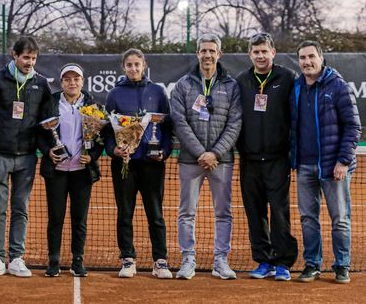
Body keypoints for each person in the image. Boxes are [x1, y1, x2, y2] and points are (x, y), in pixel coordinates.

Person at [170, 34, 242, 280]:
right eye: (203, 50)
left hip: (221, 160)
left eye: (212, 50)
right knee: (186, 212)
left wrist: (216, 153)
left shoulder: (231, 86)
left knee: (223, 212)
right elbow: (179, 122)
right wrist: (202, 153)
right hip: (192, 160)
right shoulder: (183, 85)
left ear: (219, 54)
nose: (208, 55)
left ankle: (221, 261)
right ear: (197, 53)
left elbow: (235, 123)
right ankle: (188, 259)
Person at [290, 40, 361, 284]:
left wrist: (342, 161)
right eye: (302, 58)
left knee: (340, 218)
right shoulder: (297, 86)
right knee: (308, 219)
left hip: (334, 167)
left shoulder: (338, 86)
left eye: (311, 56)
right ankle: (312, 264)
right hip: (305, 166)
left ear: (321, 57)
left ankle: (342, 266)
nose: (307, 62)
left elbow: (353, 127)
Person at [0, 36, 52, 278]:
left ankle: (17, 258)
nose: (29, 62)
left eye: (33, 58)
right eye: (25, 57)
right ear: (15, 55)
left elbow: (45, 122)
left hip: (27, 157)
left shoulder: (41, 84)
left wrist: (43, 149)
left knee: (21, 208)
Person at [104, 48, 173, 279]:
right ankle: (128, 259)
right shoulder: (114, 94)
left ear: (144, 65)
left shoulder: (158, 92)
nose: (133, 69)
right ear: (124, 67)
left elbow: (167, 127)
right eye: (129, 65)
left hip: (152, 164)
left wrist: (164, 151)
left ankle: (160, 261)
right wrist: (112, 150)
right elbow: (106, 130)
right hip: (124, 163)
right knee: (125, 212)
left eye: (137, 64)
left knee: (155, 213)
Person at [236, 32, 298, 281]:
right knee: (255, 212)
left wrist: (291, 150)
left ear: (273, 52)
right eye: (256, 52)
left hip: (277, 158)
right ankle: (264, 260)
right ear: (250, 54)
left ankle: (283, 262)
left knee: (279, 212)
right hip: (249, 159)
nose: (260, 56)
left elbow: (295, 116)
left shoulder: (287, 78)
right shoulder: (241, 80)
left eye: (264, 51)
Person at [37, 63, 103, 277]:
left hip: (82, 171)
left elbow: (102, 138)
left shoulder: (93, 105)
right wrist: (48, 152)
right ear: (62, 82)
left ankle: (77, 260)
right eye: (67, 79)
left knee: (79, 219)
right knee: (55, 217)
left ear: (82, 81)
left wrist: (91, 156)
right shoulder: (51, 103)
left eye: (76, 79)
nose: (72, 82)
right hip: (56, 170)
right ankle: (54, 260)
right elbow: (39, 133)